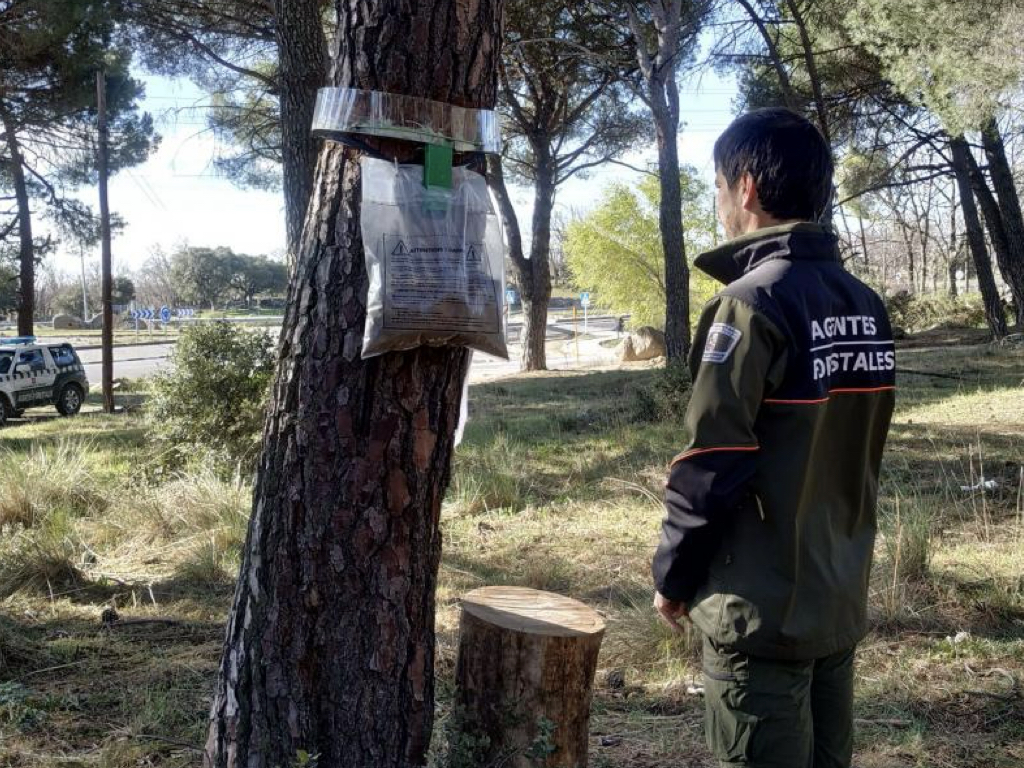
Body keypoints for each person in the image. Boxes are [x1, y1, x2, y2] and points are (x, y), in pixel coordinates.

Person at [651, 108, 896, 768]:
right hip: (835, 599)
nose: (721, 203)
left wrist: (671, 577)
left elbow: (712, 459)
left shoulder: (750, 303)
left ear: (748, 187)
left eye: (718, 187)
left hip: (758, 612)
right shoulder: (863, 302)